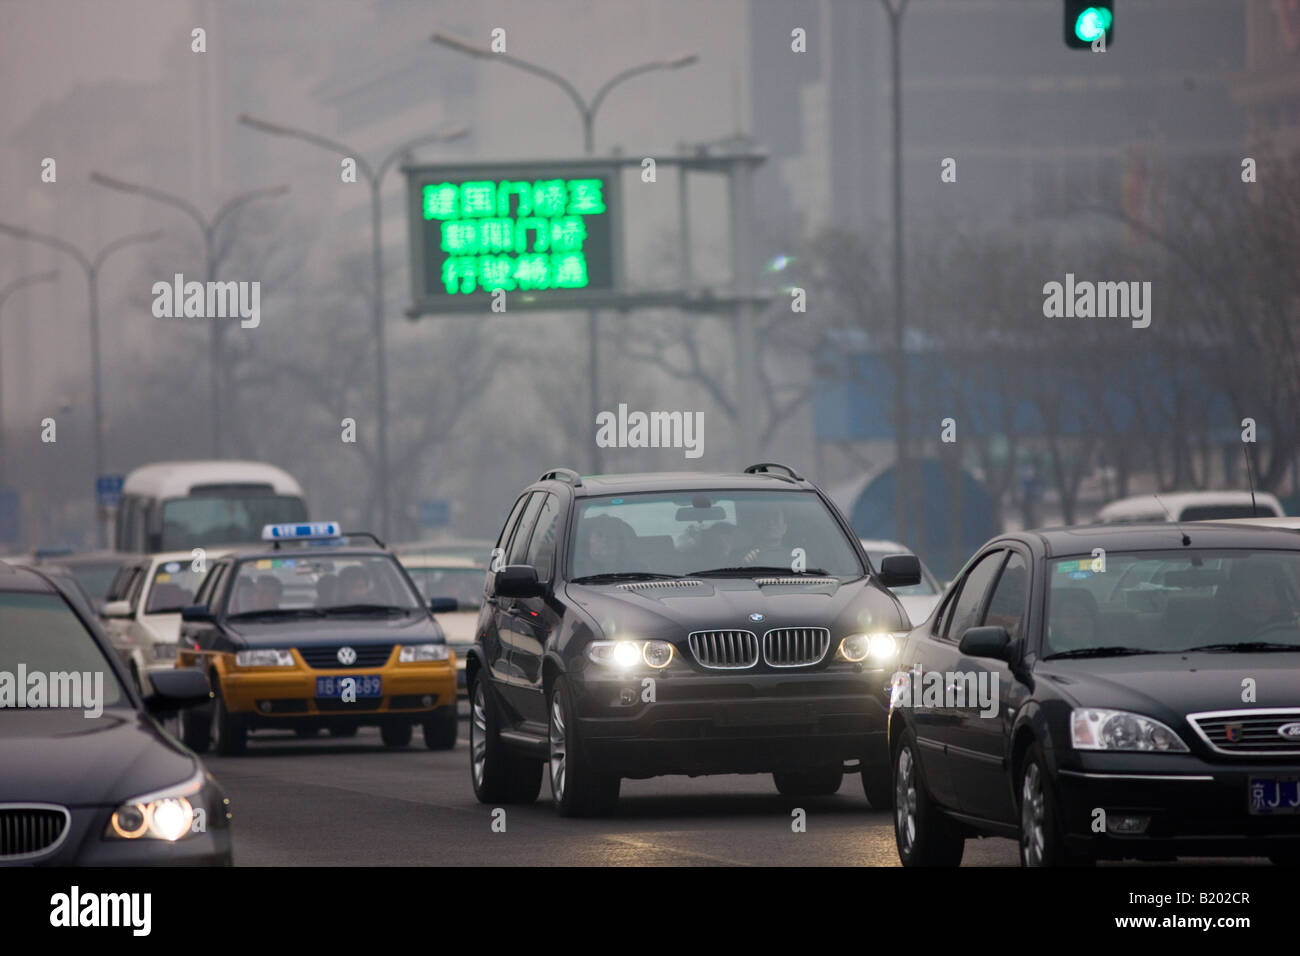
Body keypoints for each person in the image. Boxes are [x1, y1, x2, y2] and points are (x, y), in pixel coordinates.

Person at [1048, 587, 1098, 652]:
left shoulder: (1107, 656)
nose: (1079, 620)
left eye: (1084, 615)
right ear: (1055, 623)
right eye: (1070, 615)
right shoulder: (1046, 658)